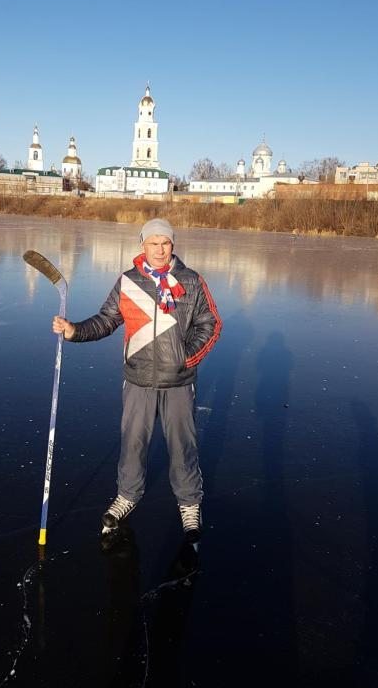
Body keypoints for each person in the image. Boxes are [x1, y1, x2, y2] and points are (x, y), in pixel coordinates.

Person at [53, 218, 221, 542]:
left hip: (179, 382)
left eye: (166, 243)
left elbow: (210, 324)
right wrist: (74, 331)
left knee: (182, 446)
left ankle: (189, 504)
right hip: (138, 380)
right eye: (153, 243)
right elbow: (106, 320)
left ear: (173, 245)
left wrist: (185, 359)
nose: (160, 249)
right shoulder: (128, 282)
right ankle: (127, 496)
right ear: (142, 245)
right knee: (132, 443)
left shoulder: (192, 281)